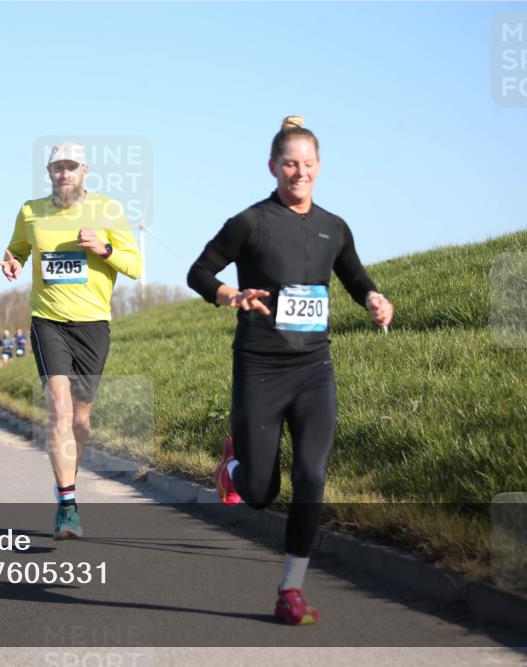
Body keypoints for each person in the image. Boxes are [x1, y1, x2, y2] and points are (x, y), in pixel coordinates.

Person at [186, 116, 394, 625]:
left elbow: (353, 273)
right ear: (273, 166)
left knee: (311, 475)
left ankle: (290, 590)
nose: (298, 173)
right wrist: (229, 294)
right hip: (259, 367)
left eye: (306, 164)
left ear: (319, 167)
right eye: (289, 164)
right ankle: (233, 465)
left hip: (313, 369)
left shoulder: (334, 226)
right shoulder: (251, 222)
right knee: (259, 494)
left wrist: (372, 296)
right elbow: (199, 270)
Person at [0, 141, 142, 540]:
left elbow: (135, 266)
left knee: (80, 418)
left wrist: (103, 248)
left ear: (85, 171)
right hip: (48, 320)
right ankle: (67, 504)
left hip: (94, 323)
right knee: (59, 410)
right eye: (57, 167)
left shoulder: (107, 210)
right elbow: (18, 250)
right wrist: (13, 263)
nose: (64, 173)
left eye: (71, 167)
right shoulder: (31, 211)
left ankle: (69, 481)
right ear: (49, 172)